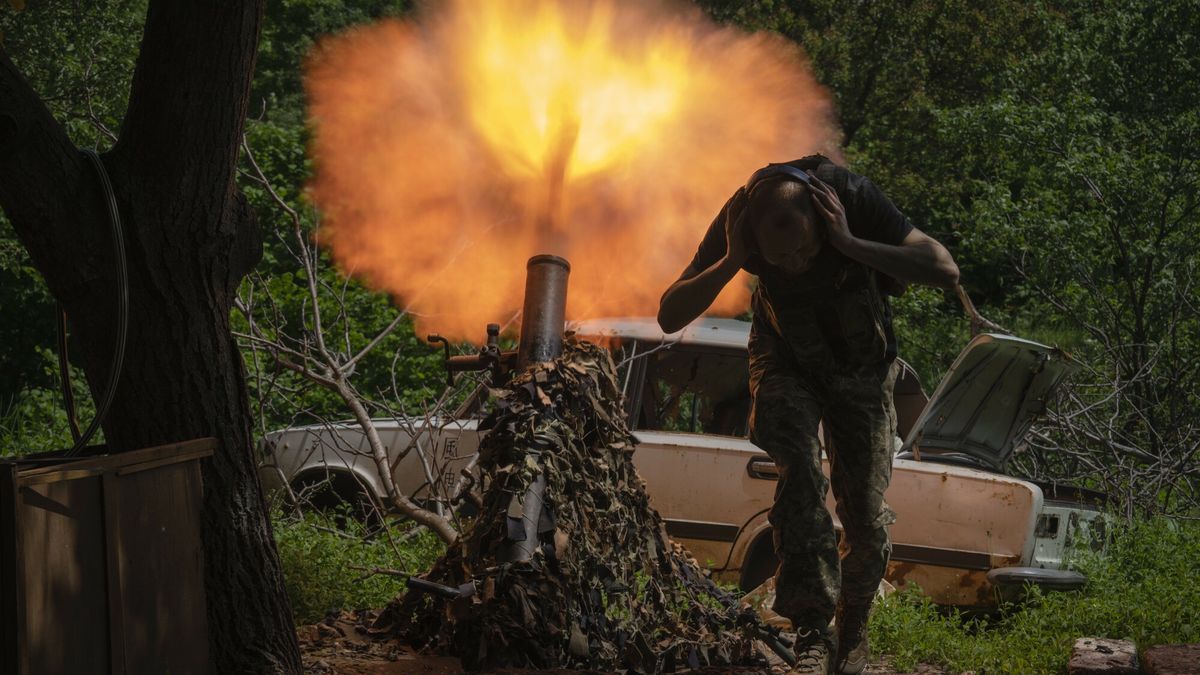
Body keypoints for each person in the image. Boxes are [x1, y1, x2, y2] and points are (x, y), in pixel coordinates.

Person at [657, 156, 959, 674]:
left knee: (863, 512)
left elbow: (944, 268)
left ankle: (854, 623)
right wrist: (733, 259)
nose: (793, 265)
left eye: (803, 250)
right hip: (786, 361)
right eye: (778, 260)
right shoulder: (741, 219)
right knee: (798, 472)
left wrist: (850, 244)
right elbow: (669, 314)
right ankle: (812, 631)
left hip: (861, 367)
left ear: (820, 217)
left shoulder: (851, 198)